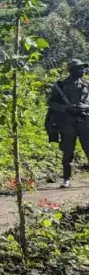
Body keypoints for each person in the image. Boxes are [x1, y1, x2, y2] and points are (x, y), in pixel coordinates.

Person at [48, 58, 89, 188]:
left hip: (84, 121)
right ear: (71, 71)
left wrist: (85, 106)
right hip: (67, 123)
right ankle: (67, 179)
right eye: (79, 68)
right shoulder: (60, 86)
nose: (83, 70)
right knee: (68, 151)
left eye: (83, 68)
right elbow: (51, 102)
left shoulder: (86, 85)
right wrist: (65, 108)